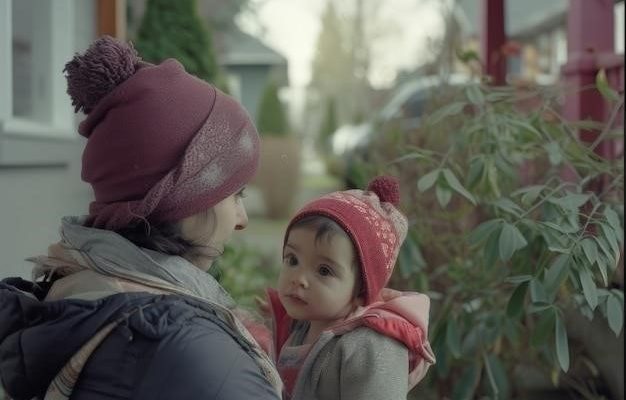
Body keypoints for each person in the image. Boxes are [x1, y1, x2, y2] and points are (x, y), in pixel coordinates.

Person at [0, 36, 282, 400]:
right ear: (185, 199)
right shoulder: (191, 357)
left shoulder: (74, 290)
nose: (241, 220)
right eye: (235, 195)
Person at [266, 176, 437, 400]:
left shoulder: (372, 348)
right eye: (292, 260)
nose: (298, 279)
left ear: (360, 291)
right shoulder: (300, 327)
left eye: (324, 270)